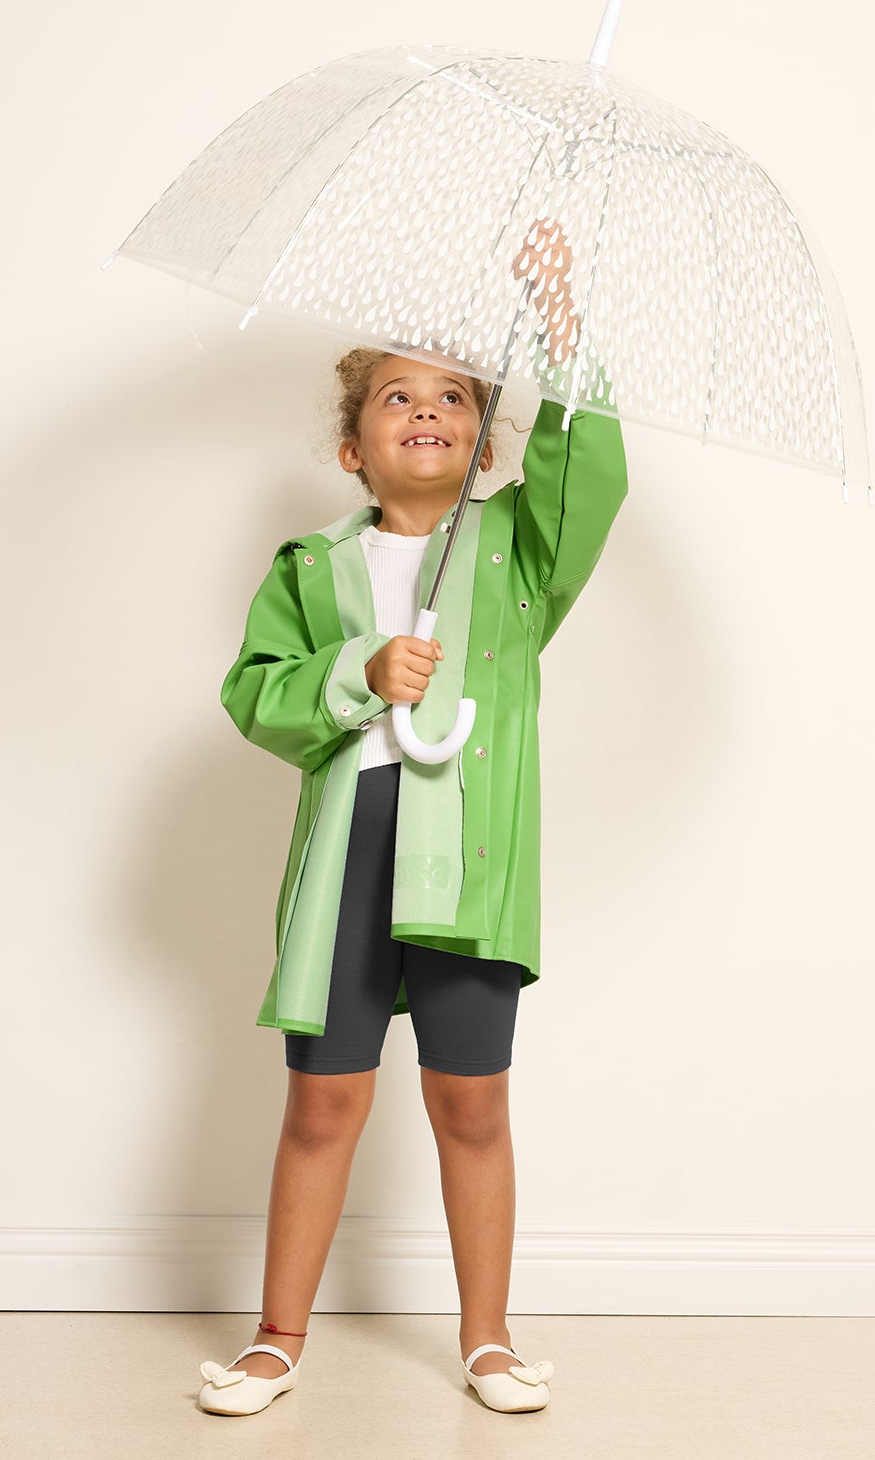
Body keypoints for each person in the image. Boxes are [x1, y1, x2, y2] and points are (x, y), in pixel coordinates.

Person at [200, 220, 628, 1417]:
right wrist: (358, 672)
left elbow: (589, 476)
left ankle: (487, 1339)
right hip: (353, 854)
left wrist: (558, 322)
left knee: (471, 1102)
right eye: (398, 396)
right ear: (354, 447)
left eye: (454, 397)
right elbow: (255, 695)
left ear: (487, 445)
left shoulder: (517, 557)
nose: (428, 409)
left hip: (469, 860)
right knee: (323, 1100)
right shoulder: (311, 565)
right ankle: (277, 1337)